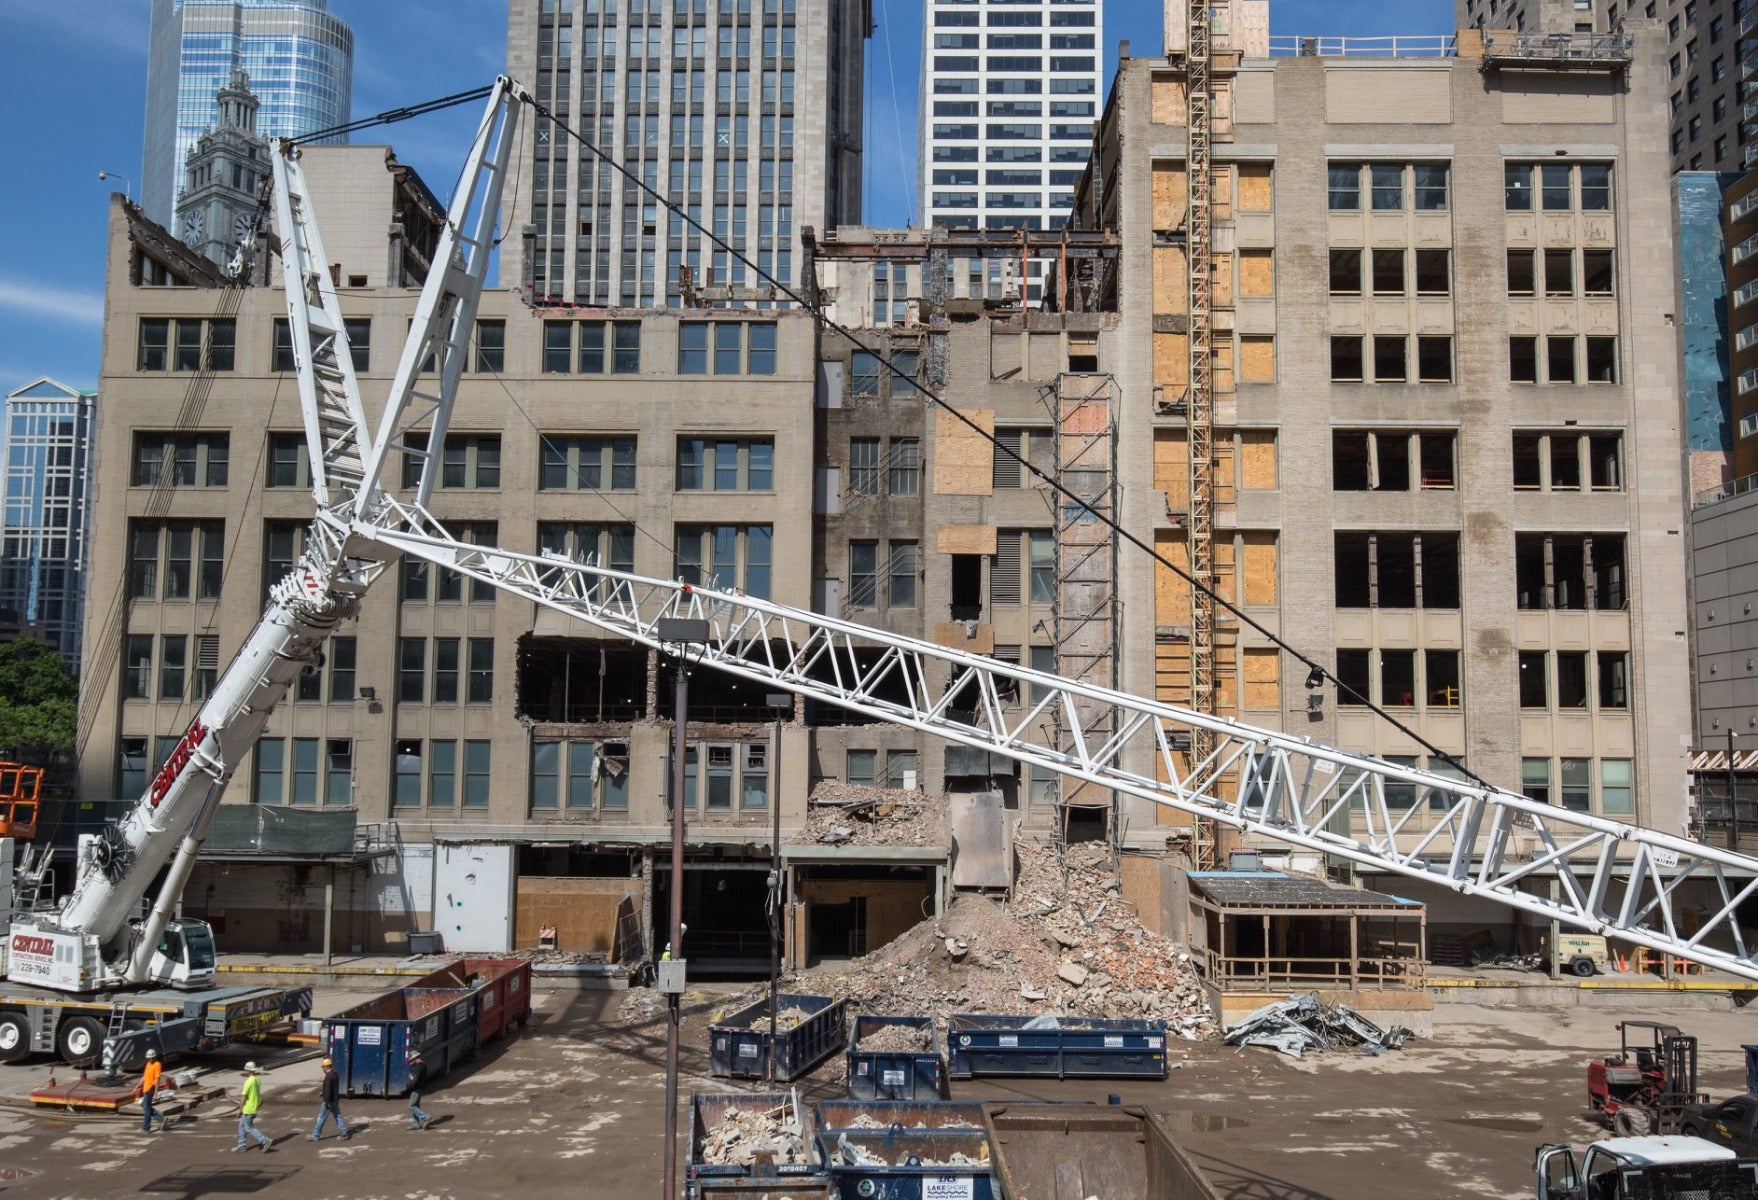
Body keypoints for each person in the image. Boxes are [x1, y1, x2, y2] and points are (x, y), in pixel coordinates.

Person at [308, 1057, 351, 1141]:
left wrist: (326, 1101)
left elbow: (328, 1089)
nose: (323, 1069)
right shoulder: (335, 1074)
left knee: (321, 1117)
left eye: (323, 1067)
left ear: (326, 1067)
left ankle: (315, 1135)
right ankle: (344, 1133)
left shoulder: (328, 1076)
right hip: (335, 1099)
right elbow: (332, 1088)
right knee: (338, 1116)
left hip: (329, 1101)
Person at [234, 1062, 273, 1152]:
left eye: (246, 1069)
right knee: (242, 1126)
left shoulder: (248, 1081)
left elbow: (244, 1096)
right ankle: (241, 1145)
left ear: (248, 1070)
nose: (245, 1071)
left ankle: (265, 1140)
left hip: (248, 1109)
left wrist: (239, 1109)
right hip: (253, 1107)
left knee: (248, 1127)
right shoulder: (257, 1080)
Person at [135, 1049, 163, 1135]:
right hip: (146, 1088)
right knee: (144, 1105)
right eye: (149, 1058)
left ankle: (146, 1128)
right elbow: (144, 1077)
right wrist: (136, 1087)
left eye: (152, 1057)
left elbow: (157, 1079)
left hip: (151, 1089)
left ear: (155, 1057)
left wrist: (155, 1093)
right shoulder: (148, 1064)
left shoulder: (157, 1064)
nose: (150, 1059)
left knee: (146, 1109)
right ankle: (161, 1118)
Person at [407, 1051, 431, 1130]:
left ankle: (426, 1117)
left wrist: (410, 1086)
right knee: (416, 1105)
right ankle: (416, 1124)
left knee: (411, 1106)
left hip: (416, 1089)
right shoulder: (422, 1065)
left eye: (412, 1060)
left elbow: (415, 1079)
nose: (411, 1061)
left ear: (415, 1058)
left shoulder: (418, 1067)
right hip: (420, 1088)